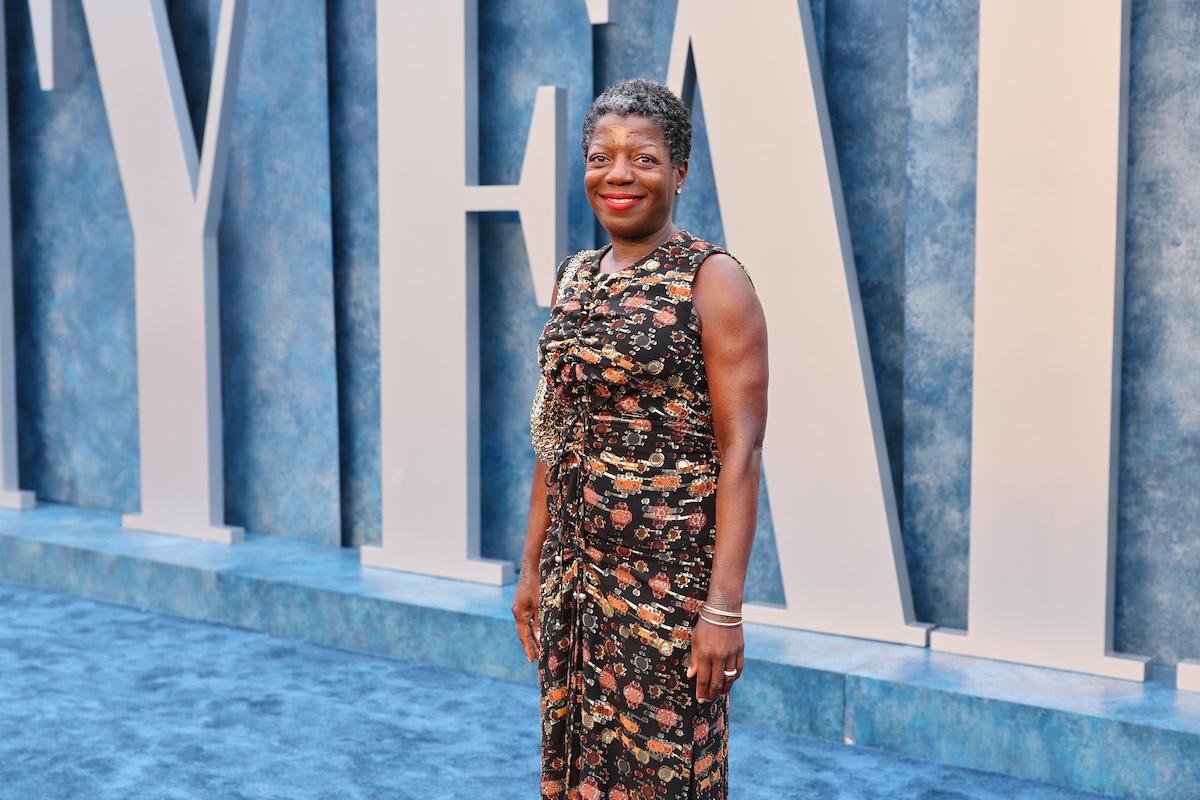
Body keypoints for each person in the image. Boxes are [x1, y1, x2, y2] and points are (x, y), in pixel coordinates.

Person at [512, 77, 768, 800]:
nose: (618, 173)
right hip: (576, 576)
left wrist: (723, 608)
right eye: (601, 156)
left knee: (664, 774)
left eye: (644, 158)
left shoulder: (712, 281)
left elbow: (741, 452)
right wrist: (532, 567)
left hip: (667, 590)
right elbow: (555, 430)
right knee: (576, 761)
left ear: (679, 172)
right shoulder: (575, 277)